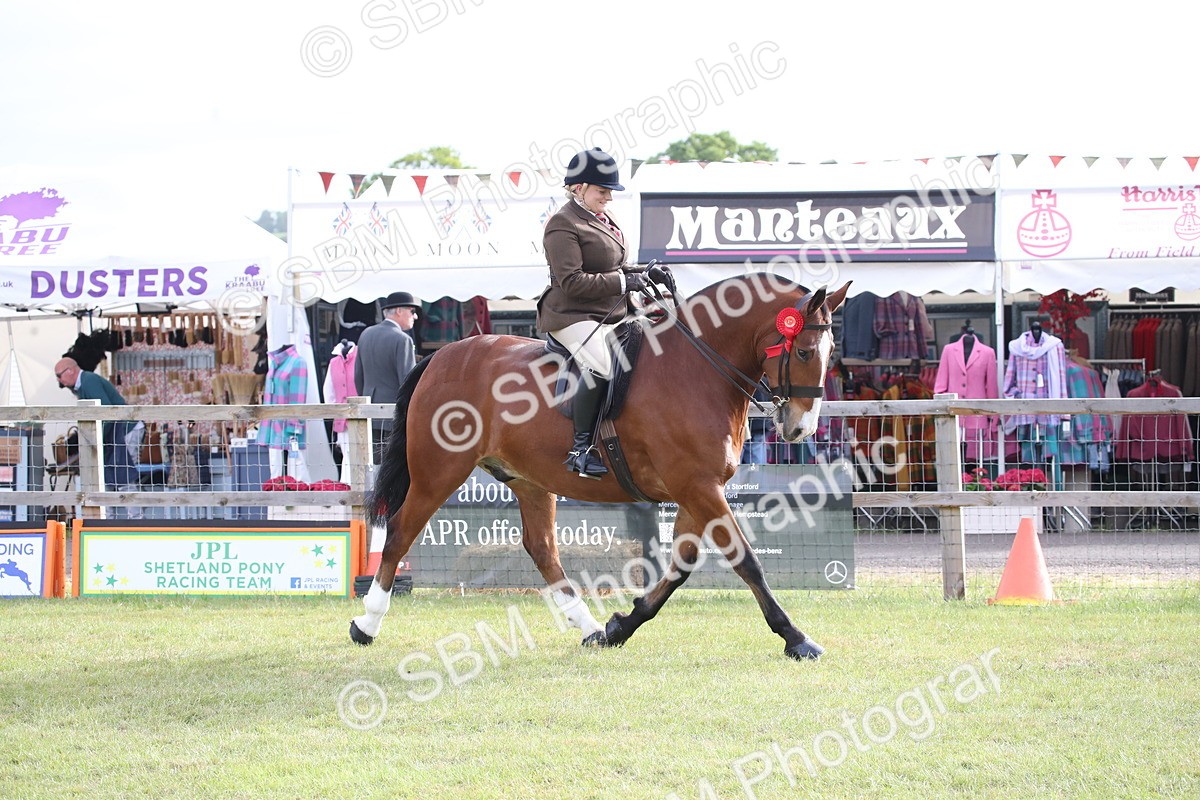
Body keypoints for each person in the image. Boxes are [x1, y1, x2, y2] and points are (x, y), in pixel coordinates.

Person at [536, 147, 667, 479]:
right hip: (571, 314)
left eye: (609, 190)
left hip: (609, 312)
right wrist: (625, 281)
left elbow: (617, 267)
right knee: (602, 364)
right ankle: (580, 450)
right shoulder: (562, 225)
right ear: (579, 187)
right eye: (602, 190)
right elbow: (572, 282)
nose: (608, 196)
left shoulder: (602, 219)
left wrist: (647, 274)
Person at [53, 356, 141, 518]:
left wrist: (91, 439)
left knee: (124, 475)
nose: (58, 380)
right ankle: (110, 518)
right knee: (109, 475)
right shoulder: (83, 385)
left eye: (59, 375)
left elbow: (106, 413)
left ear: (70, 370)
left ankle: (135, 519)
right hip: (113, 432)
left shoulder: (89, 382)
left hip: (123, 429)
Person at [354, 291, 420, 462]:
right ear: (399, 311)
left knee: (375, 463)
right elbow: (408, 383)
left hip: (369, 409)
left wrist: (366, 397)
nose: (415, 316)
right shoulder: (402, 339)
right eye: (412, 311)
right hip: (394, 414)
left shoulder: (366, 334)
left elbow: (358, 376)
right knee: (394, 465)